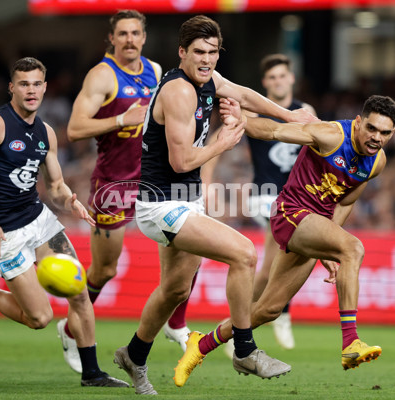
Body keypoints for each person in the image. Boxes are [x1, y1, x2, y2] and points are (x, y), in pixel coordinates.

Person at [112, 15, 317, 394]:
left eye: (213, 52)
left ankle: (134, 354)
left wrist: (289, 115)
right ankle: (245, 349)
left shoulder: (209, 79)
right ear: (182, 53)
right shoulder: (179, 92)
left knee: (174, 290)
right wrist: (224, 142)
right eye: (199, 52)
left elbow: (242, 93)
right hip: (161, 206)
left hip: (186, 203)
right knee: (243, 254)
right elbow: (180, 162)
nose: (206, 60)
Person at [176, 94, 395, 386]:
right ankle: (350, 342)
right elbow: (274, 131)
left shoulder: (376, 163)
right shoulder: (330, 134)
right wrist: (241, 121)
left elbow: (343, 203)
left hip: (313, 227)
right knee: (354, 248)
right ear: (358, 123)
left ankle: (200, 344)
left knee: (268, 310)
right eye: (372, 128)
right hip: (290, 214)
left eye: (384, 133)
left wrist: (329, 247)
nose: (376, 137)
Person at [0, 57, 129, 388]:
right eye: (24, 84)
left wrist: (72, 201)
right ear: (12, 88)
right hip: (6, 233)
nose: (31, 90)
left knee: (79, 291)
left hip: (40, 220)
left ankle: (92, 374)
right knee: (39, 318)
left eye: (37, 84)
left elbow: (55, 186)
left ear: (45, 88)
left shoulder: (45, 132)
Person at [62, 10, 194, 373]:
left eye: (136, 33)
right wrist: (121, 119)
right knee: (105, 270)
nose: (130, 40)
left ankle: (175, 322)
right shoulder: (102, 75)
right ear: (112, 38)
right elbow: (74, 128)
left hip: (155, 182)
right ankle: (71, 329)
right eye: (123, 34)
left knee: (192, 242)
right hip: (114, 184)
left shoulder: (154, 71)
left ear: (144, 37)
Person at [205, 54, 317, 354]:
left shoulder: (305, 112)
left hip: (298, 200)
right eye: (272, 77)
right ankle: (277, 313)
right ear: (265, 83)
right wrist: (206, 182)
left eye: (283, 76)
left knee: (273, 268)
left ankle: (236, 326)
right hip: (266, 196)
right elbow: (220, 136)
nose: (278, 81)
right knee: (276, 260)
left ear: (291, 78)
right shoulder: (254, 111)